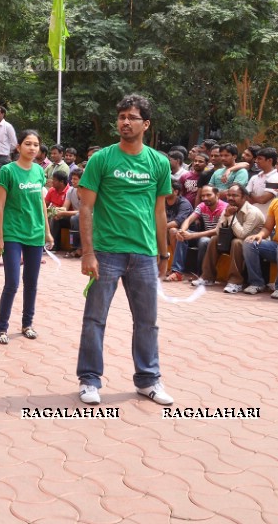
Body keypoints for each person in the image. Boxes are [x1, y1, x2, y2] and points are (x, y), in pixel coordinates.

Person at [77, 94, 173, 406]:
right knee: (95, 319)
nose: (125, 122)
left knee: (147, 321)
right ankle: (90, 380)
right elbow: (86, 208)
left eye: (131, 117)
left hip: (144, 254)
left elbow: (160, 213)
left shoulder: (158, 163)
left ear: (145, 124)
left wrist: (164, 253)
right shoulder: (102, 159)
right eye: (121, 117)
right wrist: (88, 253)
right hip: (106, 252)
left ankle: (148, 380)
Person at [0, 130, 52, 344]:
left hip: (35, 234)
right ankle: (1, 328)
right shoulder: (7, 171)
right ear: (18, 147)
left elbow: (41, 203)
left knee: (32, 282)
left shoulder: (39, 172)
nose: (32, 148)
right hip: (13, 233)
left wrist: (47, 231)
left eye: (36, 144)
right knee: (12, 282)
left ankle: (28, 324)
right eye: (28, 143)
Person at [193, 184, 265, 291]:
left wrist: (230, 216)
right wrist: (226, 216)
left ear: (244, 197)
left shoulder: (252, 212)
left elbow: (242, 235)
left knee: (237, 242)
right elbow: (218, 231)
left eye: (235, 195)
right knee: (214, 240)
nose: (230, 198)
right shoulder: (229, 208)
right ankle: (207, 277)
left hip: (252, 244)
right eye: (229, 195)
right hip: (234, 240)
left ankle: (235, 282)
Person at [166, 185, 226, 282]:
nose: (205, 198)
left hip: (217, 239)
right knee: (182, 235)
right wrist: (183, 231)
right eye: (203, 196)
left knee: (204, 241)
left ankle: (200, 274)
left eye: (208, 195)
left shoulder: (224, 208)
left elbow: (217, 230)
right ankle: (177, 272)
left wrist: (193, 235)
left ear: (217, 195)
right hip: (203, 236)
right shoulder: (202, 206)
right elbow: (189, 220)